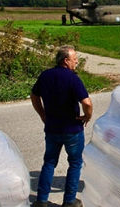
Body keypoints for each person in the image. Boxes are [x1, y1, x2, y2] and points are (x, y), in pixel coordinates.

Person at [31, 45, 93, 207]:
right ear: (66, 61)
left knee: (49, 162)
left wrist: (42, 114)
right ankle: (69, 201)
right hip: (72, 129)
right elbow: (87, 102)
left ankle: (41, 200)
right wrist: (87, 116)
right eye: (75, 59)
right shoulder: (72, 78)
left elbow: (34, 95)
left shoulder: (45, 75)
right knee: (75, 163)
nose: (77, 62)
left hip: (52, 128)